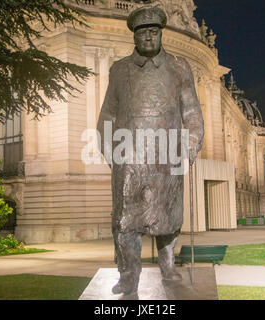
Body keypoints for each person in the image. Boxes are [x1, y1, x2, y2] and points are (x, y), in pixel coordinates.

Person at [97, 6, 204, 296]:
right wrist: (109, 151)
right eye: (143, 32)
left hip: (167, 155)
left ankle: (169, 267)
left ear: (160, 34)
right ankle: (129, 275)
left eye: (154, 32)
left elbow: (192, 113)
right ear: (134, 36)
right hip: (129, 158)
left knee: (168, 215)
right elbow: (108, 114)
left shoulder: (180, 68)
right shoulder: (119, 70)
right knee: (127, 220)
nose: (148, 38)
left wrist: (190, 148)